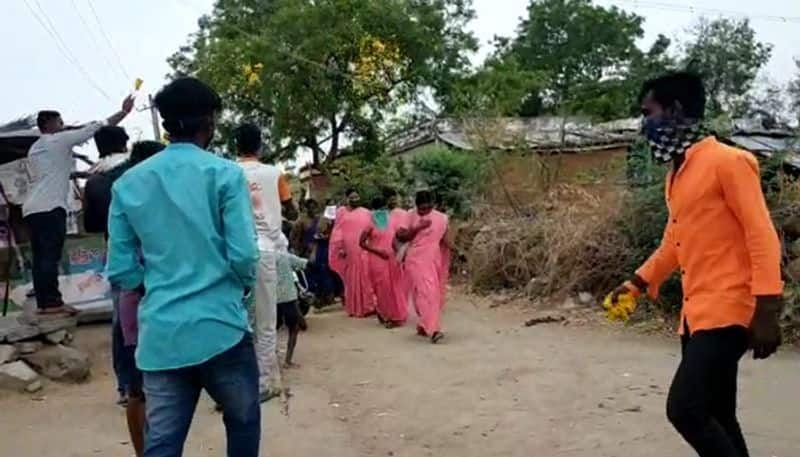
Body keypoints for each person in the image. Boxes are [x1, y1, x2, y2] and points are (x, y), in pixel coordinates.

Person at [610, 72, 783, 457]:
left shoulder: (729, 161)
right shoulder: (677, 175)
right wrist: (637, 283)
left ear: (674, 111)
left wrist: (768, 309)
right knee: (718, 413)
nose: (644, 125)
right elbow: (674, 242)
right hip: (697, 313)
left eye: (648, 113)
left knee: (684, 409)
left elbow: (761, 234)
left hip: (730, 310)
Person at [106, 78, 261, 457]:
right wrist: (238, 285)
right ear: (210, 121)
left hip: (162, 335)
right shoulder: (224, 174)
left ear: (167, 121)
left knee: (161, 443)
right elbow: (243, 255)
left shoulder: (128, 184)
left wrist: (155, 287)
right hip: (221, 327)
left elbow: (122, 270)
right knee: (242, 426)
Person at [88, 140, 165, 457]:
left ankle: (144, 450)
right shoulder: (151, 199)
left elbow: (117, 263)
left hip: (136, 299)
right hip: (153, 297)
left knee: (138, 385)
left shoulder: (123, 193)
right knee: (152, 385)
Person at [24, 95, 134, 315]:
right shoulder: (57, 140)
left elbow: (54, 173)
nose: (63, 126)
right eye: (60, 123)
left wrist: (82, 173)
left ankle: (44, 303)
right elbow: (95, 127)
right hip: (50, 206)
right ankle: (52, 303)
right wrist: (122, 113)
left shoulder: (35, 148)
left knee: (40, 257)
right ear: (48, 125)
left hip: (32, 207)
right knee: (50, 255)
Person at [234, 122, 296, 402]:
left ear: (236, 146)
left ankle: (231, 382)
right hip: (266, 250)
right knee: (266, 320)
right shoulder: (275, 174)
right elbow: (290, 206)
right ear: (260, 146)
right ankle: (264, 382)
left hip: (233, 251)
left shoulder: (227, 171)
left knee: (235, 317)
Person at [397, 190, 451, 344]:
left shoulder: (442, 218)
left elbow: (445, 240)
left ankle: (423, 323)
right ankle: (433, 330)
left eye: (427, 208)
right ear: (416, 205)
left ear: (433, 205)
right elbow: (400, 236)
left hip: (433, 259)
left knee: (430, 294)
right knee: (427, 292)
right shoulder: (409, 215)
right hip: (415, 259)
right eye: (420, 208)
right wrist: (417, 228)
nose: (423, 211)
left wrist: (459, 250)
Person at [360, 195, 407, 328]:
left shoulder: (392, 220)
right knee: (382, 288)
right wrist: (378, 251)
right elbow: (361, 243)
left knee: (395, 287)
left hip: (392, 257)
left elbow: (397, 238)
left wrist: (400, 254)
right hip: (377, 259)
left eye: (383, 209)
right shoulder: (370, 223)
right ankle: (386, 313)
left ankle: (395, 315)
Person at [329, 188, 375, 318]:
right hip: (349, 250)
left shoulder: (366, 212)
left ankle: (369, 306)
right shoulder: (340, 212)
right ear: (347, 198)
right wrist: (341, 248)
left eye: (357, 197)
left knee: (366, 276)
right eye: (352, 197)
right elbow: (337, 230)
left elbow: (372, 230)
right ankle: (354, 307)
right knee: (351, 279)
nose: (355, 200)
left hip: (364, 249)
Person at [274, 241, 309, 368]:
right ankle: (287, 360)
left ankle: (271, 357)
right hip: (288, 298)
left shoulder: (262, 257)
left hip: (271, 298)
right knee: (293, 329)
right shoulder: (286, 257)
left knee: (272, 330)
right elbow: (304, 264)